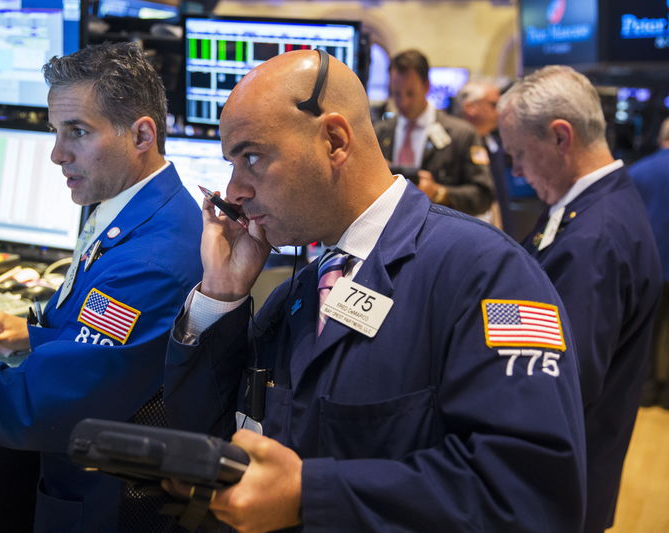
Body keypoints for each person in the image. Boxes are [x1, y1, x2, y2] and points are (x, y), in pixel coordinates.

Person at [163, 49, 586, 532]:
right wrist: (222, 293)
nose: (234, 190)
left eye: (252, 157)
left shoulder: (489, 275)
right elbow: (204, 436)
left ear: (335, 140)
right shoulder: (298, 292)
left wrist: (312, 494)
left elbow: (532, 495)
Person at [0, 42, 201, 531]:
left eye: (78, 132)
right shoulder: (132, 204)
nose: (56, 154)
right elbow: (113, 343)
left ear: (142, 135)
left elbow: (45, 400)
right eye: (55, 131)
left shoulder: (153, 259)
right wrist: (36, 336)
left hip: (101, 504)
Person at [498, 65, 662, 533]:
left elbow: (558, 382)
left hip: (556, 490)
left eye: (519, 155)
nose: (516, 171)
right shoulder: (589, 206)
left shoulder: (595, 238)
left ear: (560, 137)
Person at [374, 49, 494, 216]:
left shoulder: (462, 134)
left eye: (410, 93)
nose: (403, 102)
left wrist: (439, 193)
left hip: (441, 233)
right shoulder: (379, 133)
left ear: (426, 86)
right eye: (396, 94)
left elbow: (483, 196)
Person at [628, 117, 669, 409]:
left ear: (660, 137)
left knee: (647, 331)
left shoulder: (639, 171)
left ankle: (646, 390)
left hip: (651, 265)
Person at [453, 77, 513, 232]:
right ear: (470, 107)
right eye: (494, 105)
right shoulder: (451, 144)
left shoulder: (494, 142)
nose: (499, 111)